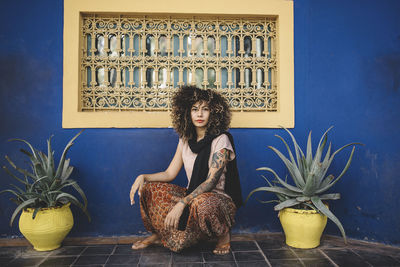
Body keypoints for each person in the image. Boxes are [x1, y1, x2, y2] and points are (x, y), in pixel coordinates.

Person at [129, 85, 242, 255]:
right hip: (192, 195)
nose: (199, 114)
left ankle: (223, 236)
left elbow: (211, 182)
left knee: (203, 202)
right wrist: (143, 177)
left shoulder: (221, 139)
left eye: (205, 109)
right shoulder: (185, 140)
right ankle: (160, 234)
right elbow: (169, 174)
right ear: (186, 113)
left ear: (214, 113)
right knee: (149, 189)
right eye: (195, 109)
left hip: (218, 200)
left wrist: (182, 203)